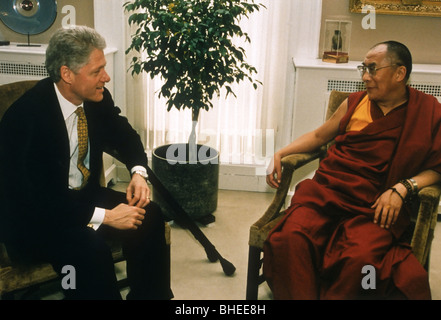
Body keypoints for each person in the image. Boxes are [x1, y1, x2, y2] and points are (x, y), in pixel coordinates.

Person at [0, 26, 173, 300]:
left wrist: (138, 173)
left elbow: (125, 135)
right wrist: (107, 216)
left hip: (82, 198)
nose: (105, 77)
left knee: (149, 215)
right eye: (96, 71)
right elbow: (37, 202)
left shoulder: (95, 99)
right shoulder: (24, 118)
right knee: (90, 248)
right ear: (67, 74)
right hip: (37, 220)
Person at [264, 41, 441, 300]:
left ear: (399, 73)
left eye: (372, 69)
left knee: (360, 258)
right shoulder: (354, 103)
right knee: (291, 238)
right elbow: (317, 136)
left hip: (374, 207)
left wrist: (403, 187)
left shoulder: (427, 111)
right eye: (363, 69)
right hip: (327, 194)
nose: (365, 77)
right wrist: (281, 152)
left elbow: (437, 167)